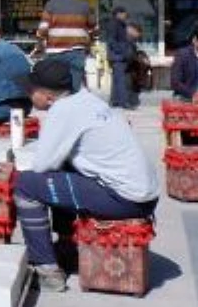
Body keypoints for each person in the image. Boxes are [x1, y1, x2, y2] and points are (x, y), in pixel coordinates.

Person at [12, 58, 160, 292]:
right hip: (144, 194)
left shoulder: (62, 110)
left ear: (48, 96)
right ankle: (67, 249)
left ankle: (46, 269)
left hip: (125, 198)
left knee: (27, 184)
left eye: (31, 90)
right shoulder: (86, 99)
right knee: (60, 171)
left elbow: (41, 166)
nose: (28, 94)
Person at [36, 0, 97, 91]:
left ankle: (60, 107)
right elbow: (94, 30)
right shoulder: (85, 5)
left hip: (55, 53)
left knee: (56, 88)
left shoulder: (51, 5)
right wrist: (89, 44)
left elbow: (42, 30)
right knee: (75, 87)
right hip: (77, 52)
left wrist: (40, 42)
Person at [104, 6, 134, 109]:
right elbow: (112, 41)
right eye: (124, 13)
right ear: (119, 13)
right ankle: (124, 102)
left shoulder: (120, 24)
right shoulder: (113, 24)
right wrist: (123, 52)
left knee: (117, 79)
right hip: (117, 56)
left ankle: (114, 100)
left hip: (118, 56)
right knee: (121, 79)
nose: (126, 15)